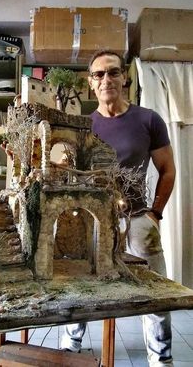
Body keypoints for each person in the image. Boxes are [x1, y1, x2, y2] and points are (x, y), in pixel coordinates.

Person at [60, 49, 176, 367]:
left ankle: (161, 359)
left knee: (155, 289)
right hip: (93, 221)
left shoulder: (148, 120)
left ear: (124, 77)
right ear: (91, 83)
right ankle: (70, 348)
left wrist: (154, 214)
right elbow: (72, 172)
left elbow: (168, 169)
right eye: (99, 74)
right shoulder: (83, 126)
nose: (106, 79)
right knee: (80, 284)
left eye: (113, 72)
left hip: (137, 217)